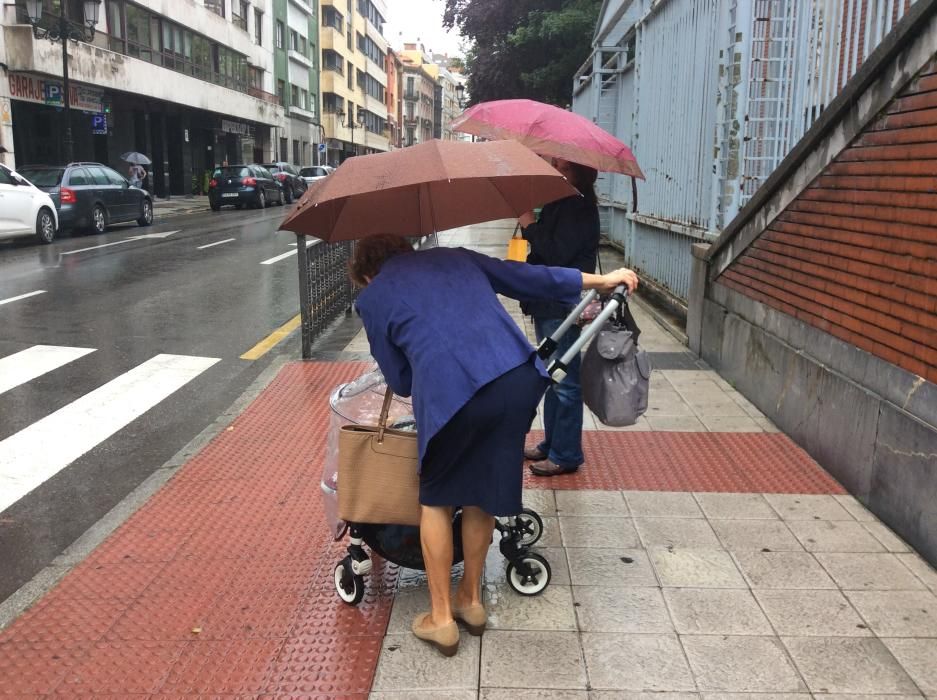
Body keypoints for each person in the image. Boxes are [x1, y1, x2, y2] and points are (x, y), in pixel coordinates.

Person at [351, 235, 637, 657]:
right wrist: (602, 279)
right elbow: (528, 277)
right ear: (406, 250)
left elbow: (401, 382)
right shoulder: (455, 258)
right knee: (482, 493)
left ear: (367, 272)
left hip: (454, 397)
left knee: (437, 499)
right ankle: (471, 600)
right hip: (517, 379)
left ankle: (442, 619)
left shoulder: (373, 298)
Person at [517, 158, 601, 477]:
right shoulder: (562, 203)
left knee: (564, 379)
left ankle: (566, 453)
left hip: (561, 303)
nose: (555, 169)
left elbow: (556, 253)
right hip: (548, 301)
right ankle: (552, 443)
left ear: (577, 174)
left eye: (562, 168)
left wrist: (529, 224)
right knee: (552, 375)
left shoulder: (577, 207)